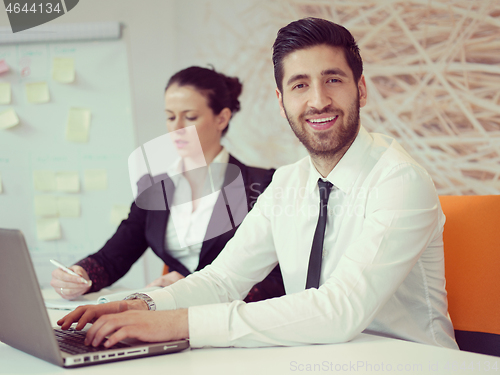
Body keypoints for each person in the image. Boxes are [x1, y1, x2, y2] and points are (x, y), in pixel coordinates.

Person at [58, 18, 458, 351]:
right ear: (282, 101)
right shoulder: (287, 183)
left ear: (362, 90)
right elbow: (224, 279)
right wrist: (143, 305)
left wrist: (178, 324)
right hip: (313, 357)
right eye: (300, 85)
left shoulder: (400, 182)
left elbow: (340, 311)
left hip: (413, 363)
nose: (318, 100)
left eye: (333, 79)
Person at [50, 66, 285, 303]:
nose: (176, 127)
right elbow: (114, 257)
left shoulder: (263, 185)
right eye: (170, 117)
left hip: (232, 322)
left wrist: (195, 289)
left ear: (222, 118)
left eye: (190, 117)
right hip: (171, 317)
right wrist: (81, 275)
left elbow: (279, 276)